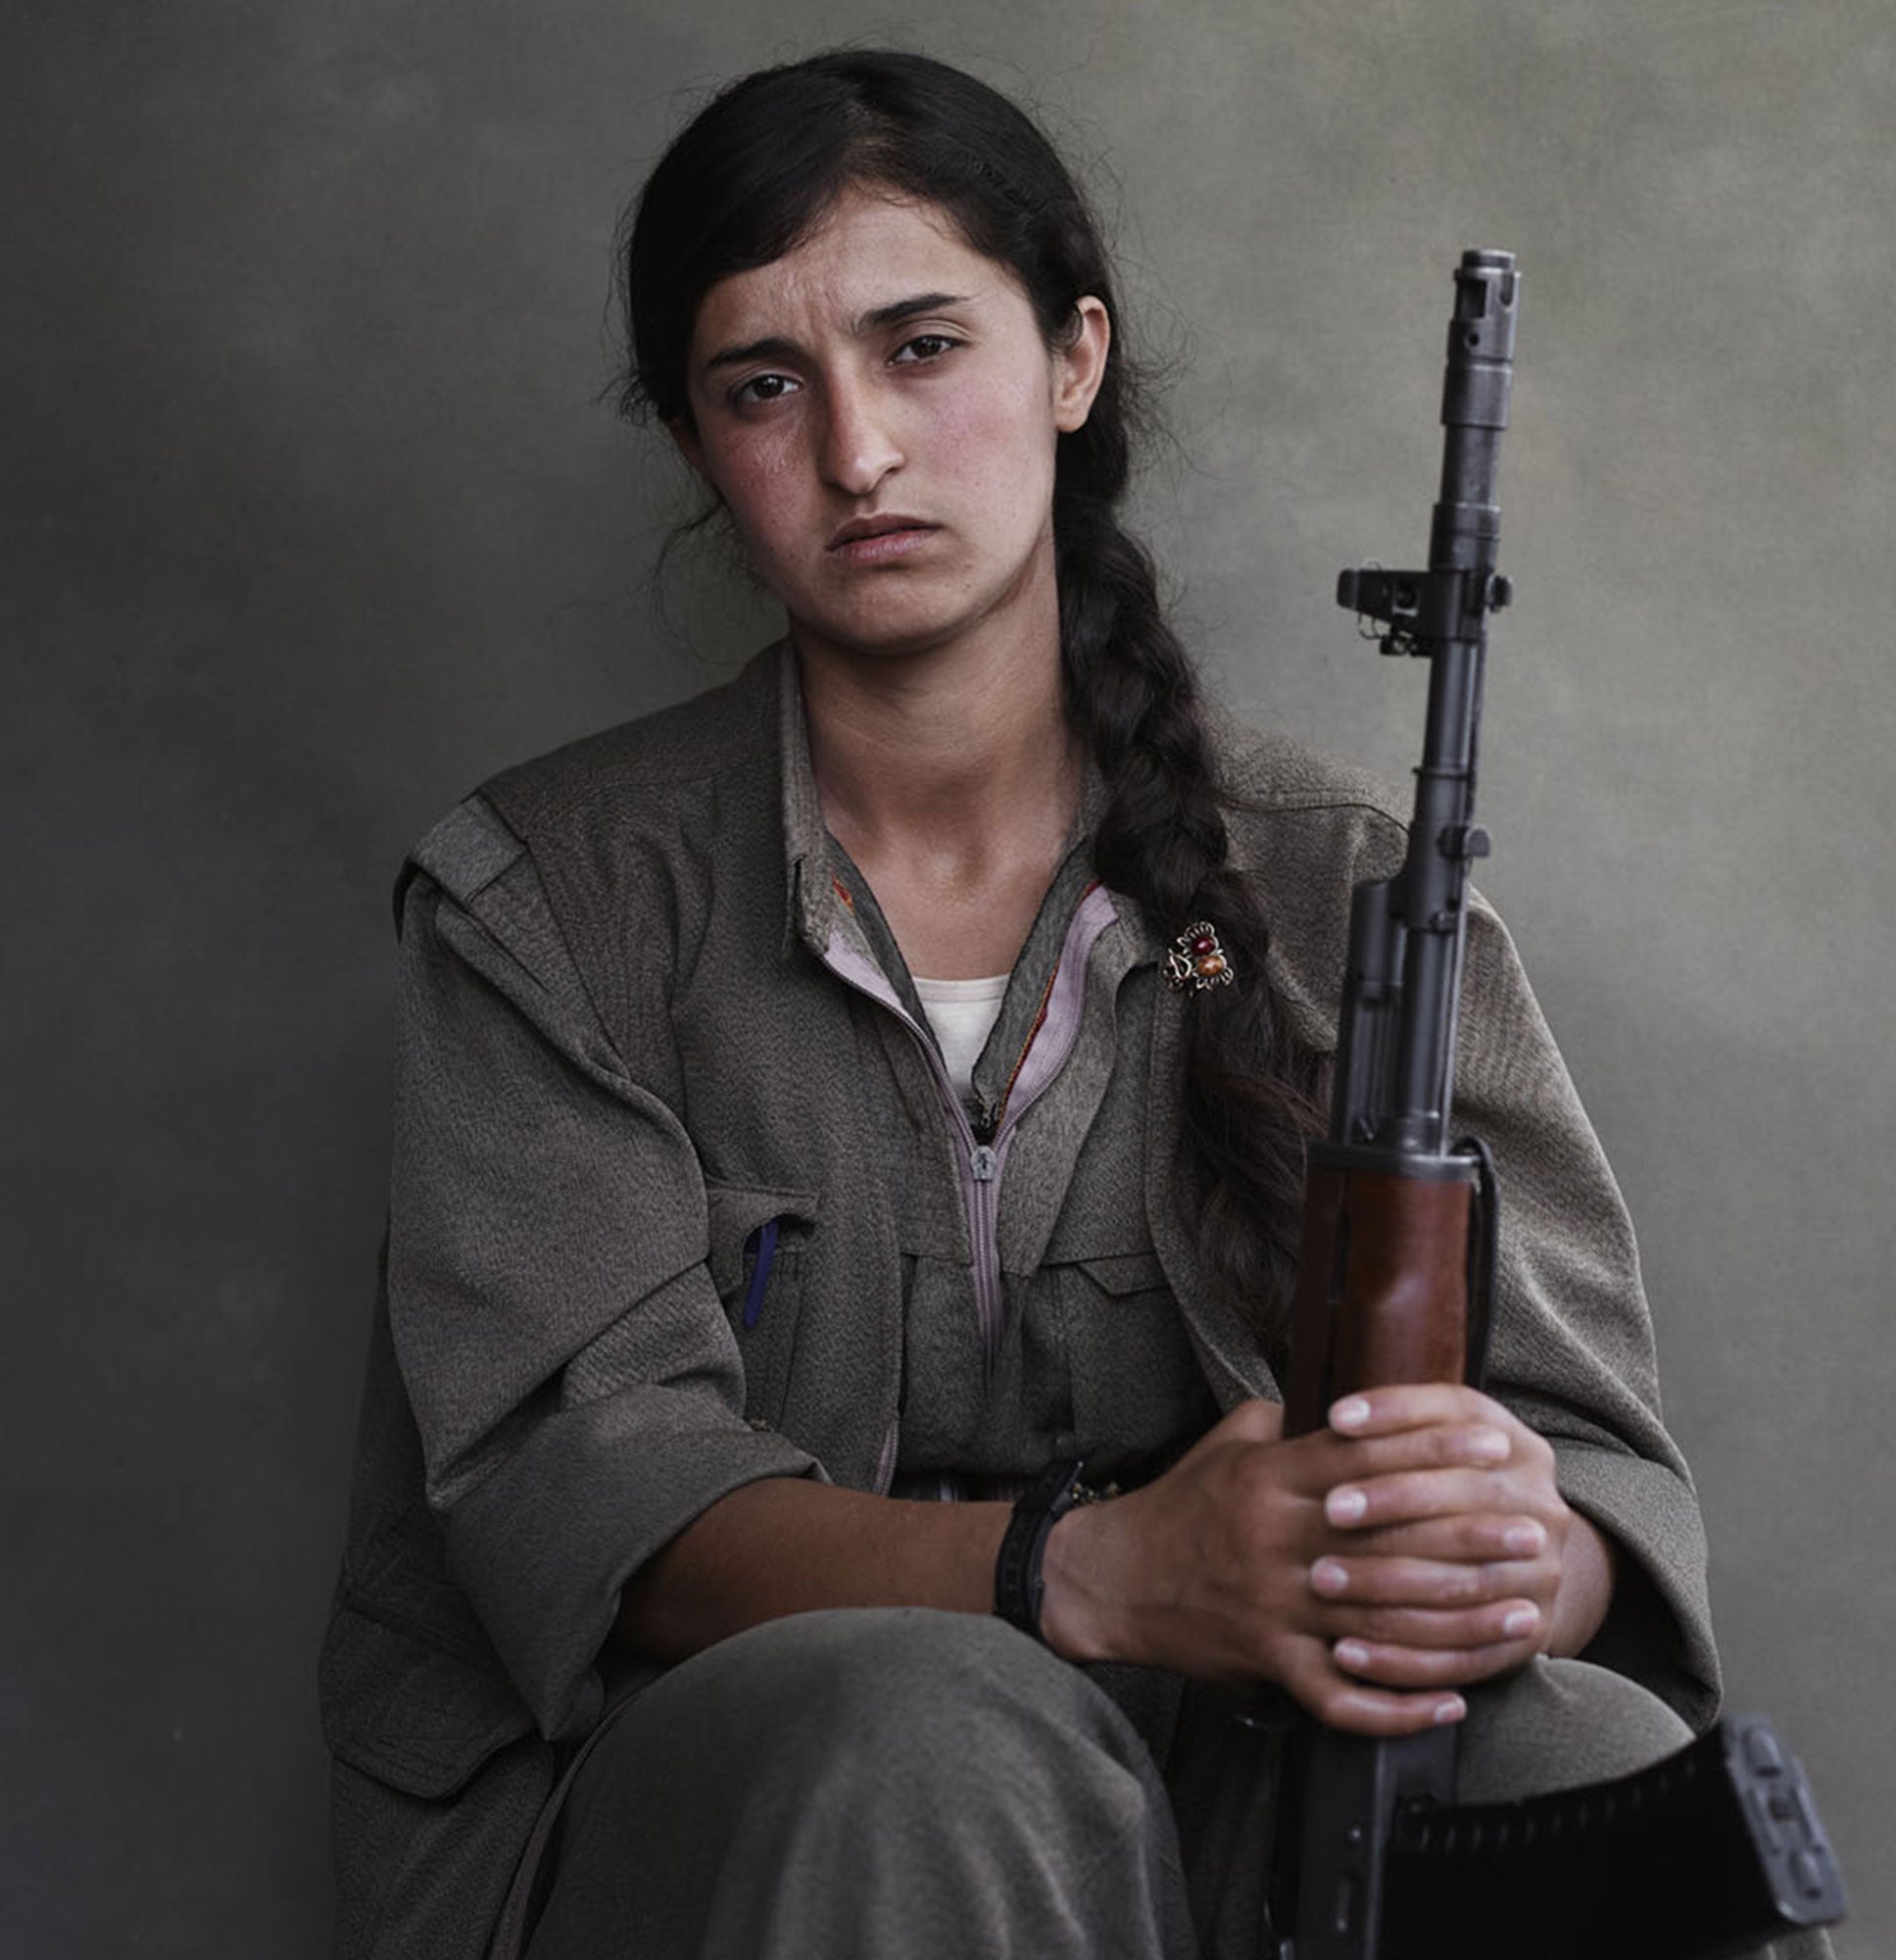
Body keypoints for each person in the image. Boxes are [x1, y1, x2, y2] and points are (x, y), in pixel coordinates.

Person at [320, 47, 1816, 1960]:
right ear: (703, 449)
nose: (857, 449)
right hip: (699, 1818)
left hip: (1237, 1784)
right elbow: (596, 1512)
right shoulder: (550, 909)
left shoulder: (1344, 887)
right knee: (930, 1731)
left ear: (1072, 360)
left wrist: (1519, 1549)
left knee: (1585, 1762)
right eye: (764, 387)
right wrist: (1082, 1573)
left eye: (923, 345)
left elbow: (1586, 1449)